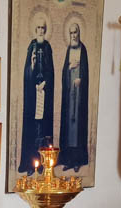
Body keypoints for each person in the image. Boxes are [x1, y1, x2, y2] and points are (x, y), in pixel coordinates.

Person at [19, 15, 54, 174]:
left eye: (43, 28)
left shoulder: (47, 47)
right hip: (33, 94)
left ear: (45, 30)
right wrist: (32, 65)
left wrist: (44, 83)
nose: (40, 31)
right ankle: (30, 163)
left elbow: (51, 71)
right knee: (32, 128)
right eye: (38, 28)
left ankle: (41, 164)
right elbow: (27, 72)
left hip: (44, 93)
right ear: (35, 29)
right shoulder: (31, 46)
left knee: (42, 128)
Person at [58, 21, 89, 172]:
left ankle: (77, 160)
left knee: (77, 128)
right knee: (68, 128)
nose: (73, 35)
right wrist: (69, 68)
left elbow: (85, 72)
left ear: (79, 33)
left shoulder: (83, 50)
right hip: (69, 95)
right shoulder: (68, 50)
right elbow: (64, 72)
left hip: (79, 97)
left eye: (75, 32)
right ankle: (68, 160)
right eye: (71, 33)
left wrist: (80, 79)